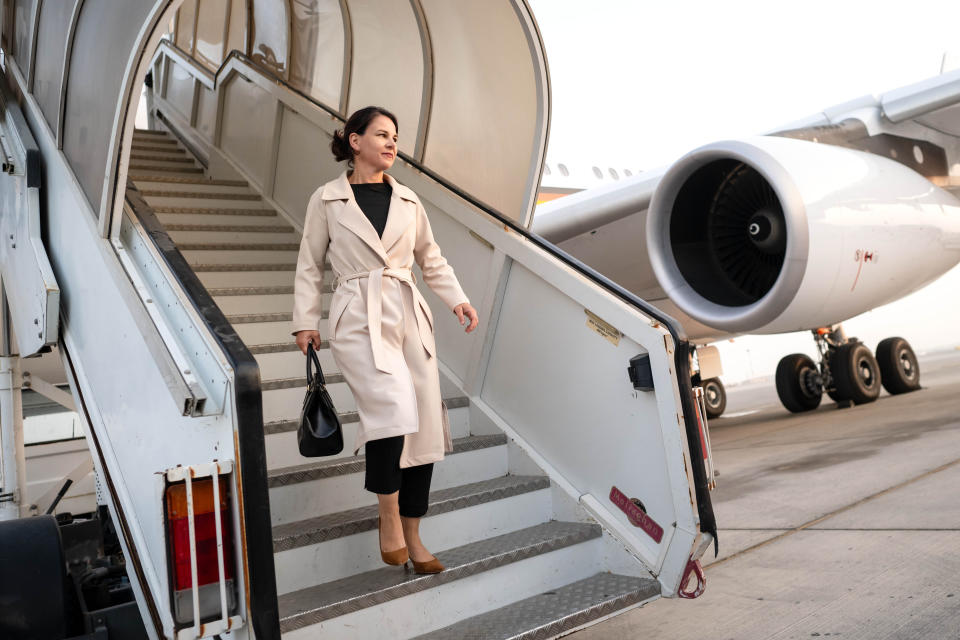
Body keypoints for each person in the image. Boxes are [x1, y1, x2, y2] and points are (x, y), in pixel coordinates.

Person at [291, 106, 479, 575]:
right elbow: (310, 263)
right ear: (354, 141)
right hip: (358, 311)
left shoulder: (410, 201)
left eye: (395, 136)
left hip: (407, 311)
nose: (392, 143)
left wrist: (457, 299)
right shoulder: (327, 199)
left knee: (424, 429)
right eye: (381, 135)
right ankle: (388, 515)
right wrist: (305, 321)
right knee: (391, 410)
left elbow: (430, 258)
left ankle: (414, 536)